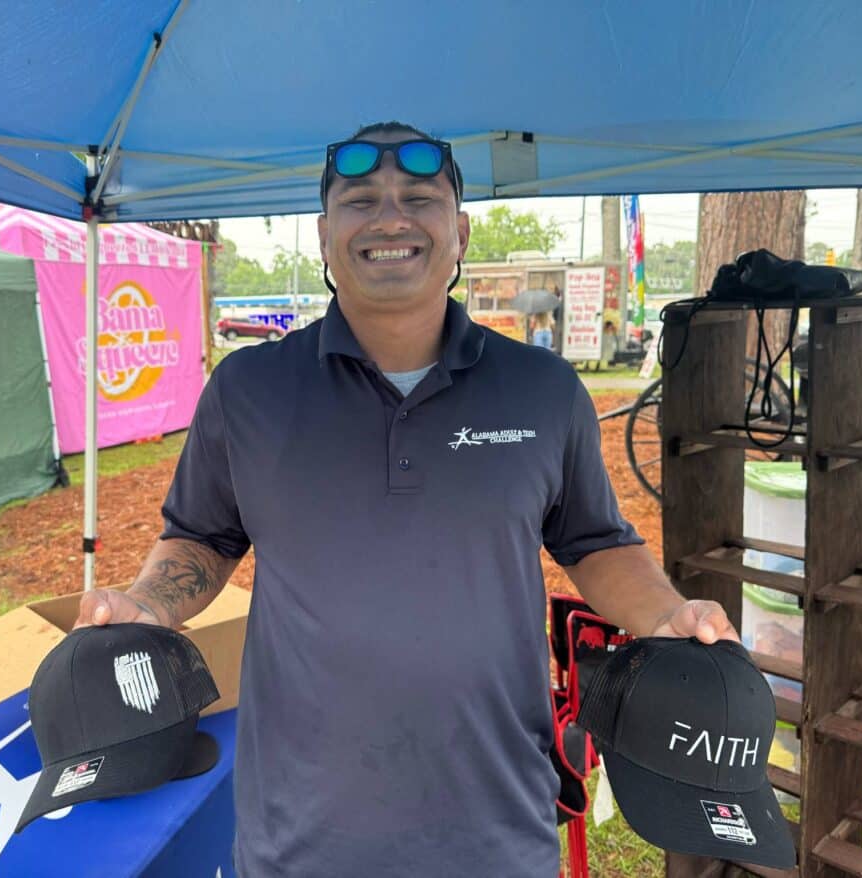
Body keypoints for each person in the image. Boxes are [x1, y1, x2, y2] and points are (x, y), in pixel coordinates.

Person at [75, 121, 738, 878]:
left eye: (419, 199)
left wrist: (663, 616)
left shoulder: (544, 390)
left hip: (495, 832)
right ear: (325, 238)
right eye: (360, 201)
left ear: (460, 233)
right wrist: (149, 604)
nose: (390, 219)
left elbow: (596, 544)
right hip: (300, 838)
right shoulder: (248, 390)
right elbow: (203, 535)